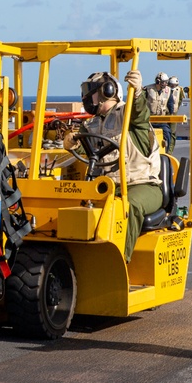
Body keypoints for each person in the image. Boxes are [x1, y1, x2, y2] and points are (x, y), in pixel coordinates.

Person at [64, 70, 163, 262]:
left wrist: (138, 91)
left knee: (129, 205)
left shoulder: (127, 116)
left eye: (89, 92)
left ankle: (120, 261)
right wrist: (72, 143)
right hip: (108, 187)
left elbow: (140, 113)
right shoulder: (91, 125)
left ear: (106, 91)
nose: (85, 97)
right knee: (75, 206)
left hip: (142, 184)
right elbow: (87, 152)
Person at [145, 71, 173, 153]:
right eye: (163, 82)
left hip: (161, 119)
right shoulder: (148, 90)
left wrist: (170, 115)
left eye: (166, 82)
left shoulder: (168, 91)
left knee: (167, 133)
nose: (165, 84)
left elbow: (170, 103)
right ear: (158, 81)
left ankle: (166, 151)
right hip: (148, 120)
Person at [166, 75, 183, 154]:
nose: (173, 87)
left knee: (172, 132)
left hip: (174, 113)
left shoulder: (179, 90)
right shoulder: (165, 89)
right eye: (171, 85)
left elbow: (180, 100)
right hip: (165, 113)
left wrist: (175, 110)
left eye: (175, 85)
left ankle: (170, 150)